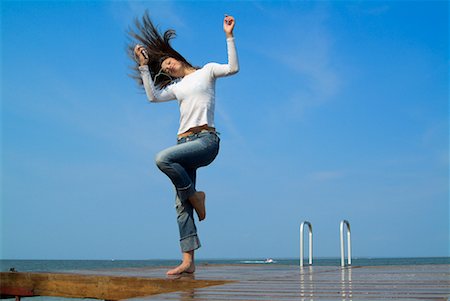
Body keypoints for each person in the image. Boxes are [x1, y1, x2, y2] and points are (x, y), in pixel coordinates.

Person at [128, 11, 239, 275]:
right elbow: (153, 97)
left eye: (167, 62)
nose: (166, 67)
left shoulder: (207, 72)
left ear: (177, 57)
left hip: (206, 140)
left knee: (162, 159)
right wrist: (144, 66)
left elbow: (233, 68)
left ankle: (195, 196)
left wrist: (229, 36)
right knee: (181, 206)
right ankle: (188, 262)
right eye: (163, 68)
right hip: (183, 141)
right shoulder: (177, 87)